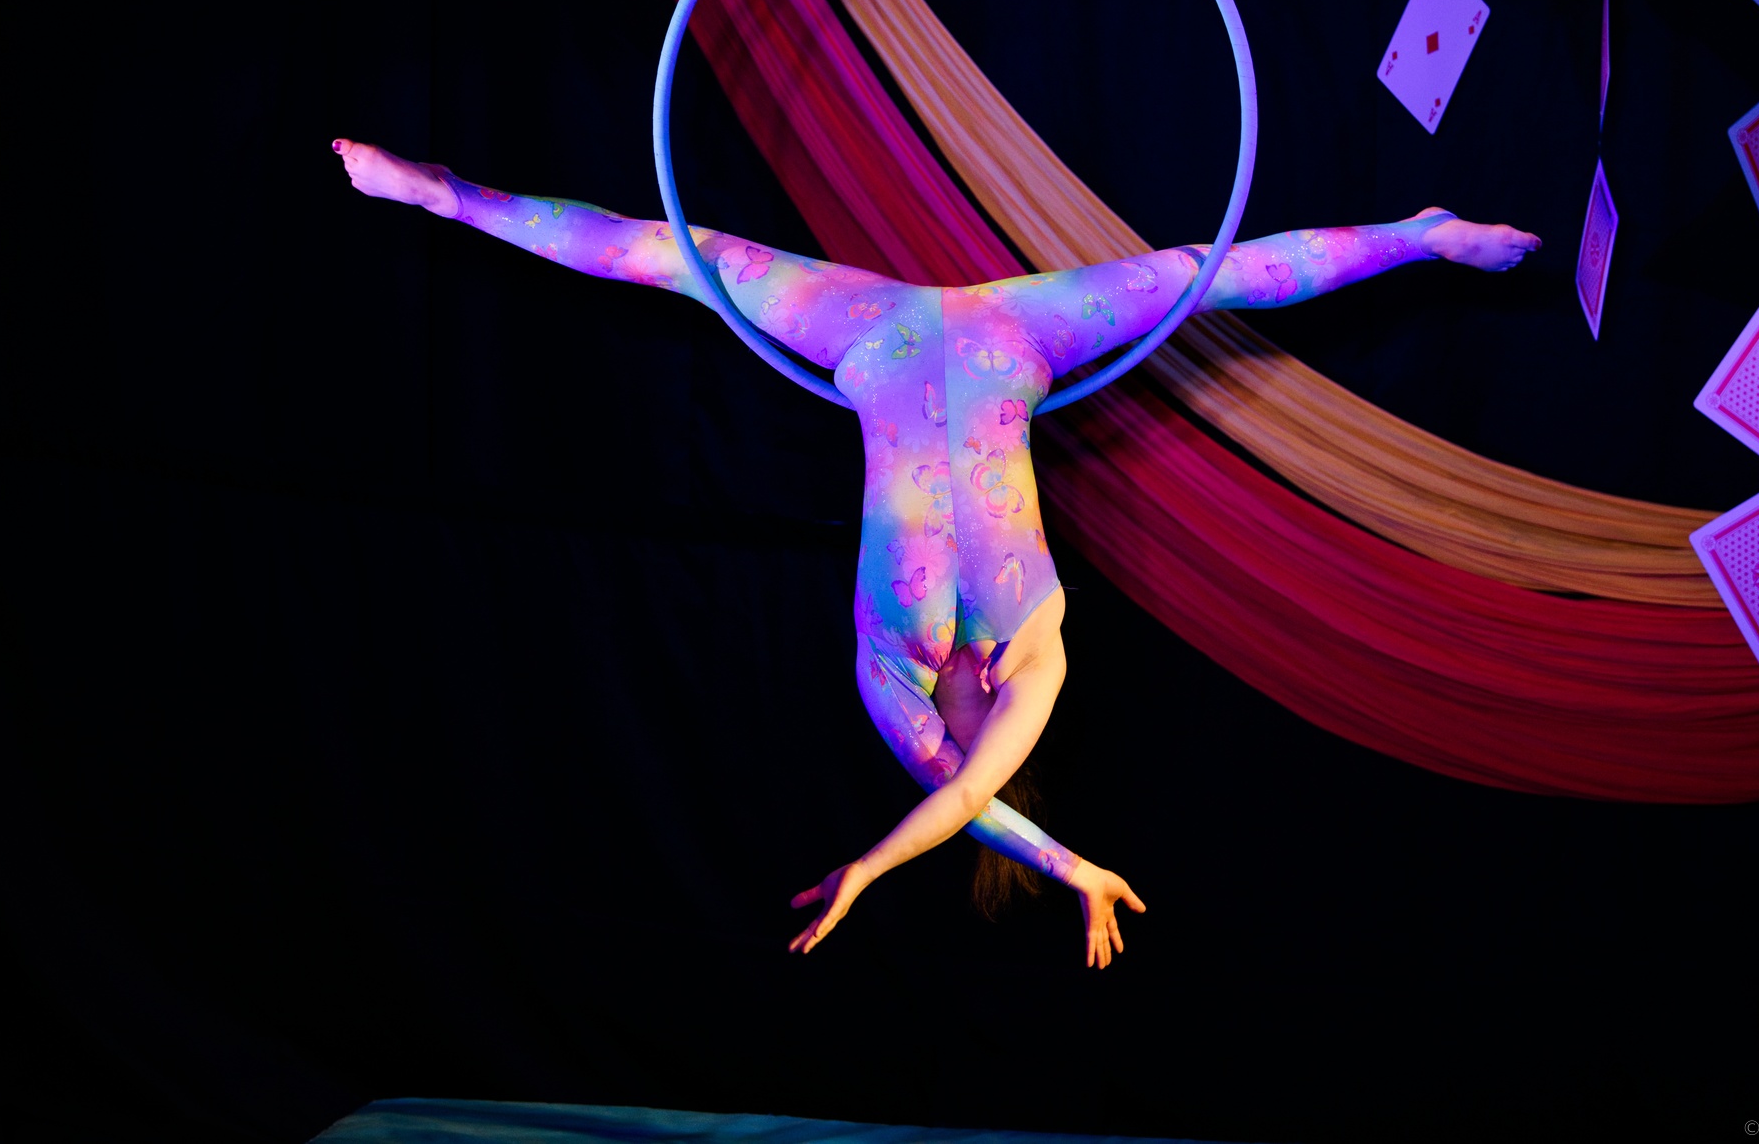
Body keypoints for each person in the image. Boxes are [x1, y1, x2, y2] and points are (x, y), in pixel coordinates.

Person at [335, 137, 1541, 967]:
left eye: (939, 744)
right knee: (1205, 277)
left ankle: (445, 196)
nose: (947, 734)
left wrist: (873, 864)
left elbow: (952, 794)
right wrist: (1063, 868)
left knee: (671, 255)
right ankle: (1421, 234)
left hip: (875, 342)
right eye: (967, 744)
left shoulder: (884, 666)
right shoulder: (1037, 652)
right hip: (1014, 338)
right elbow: (972, 798)